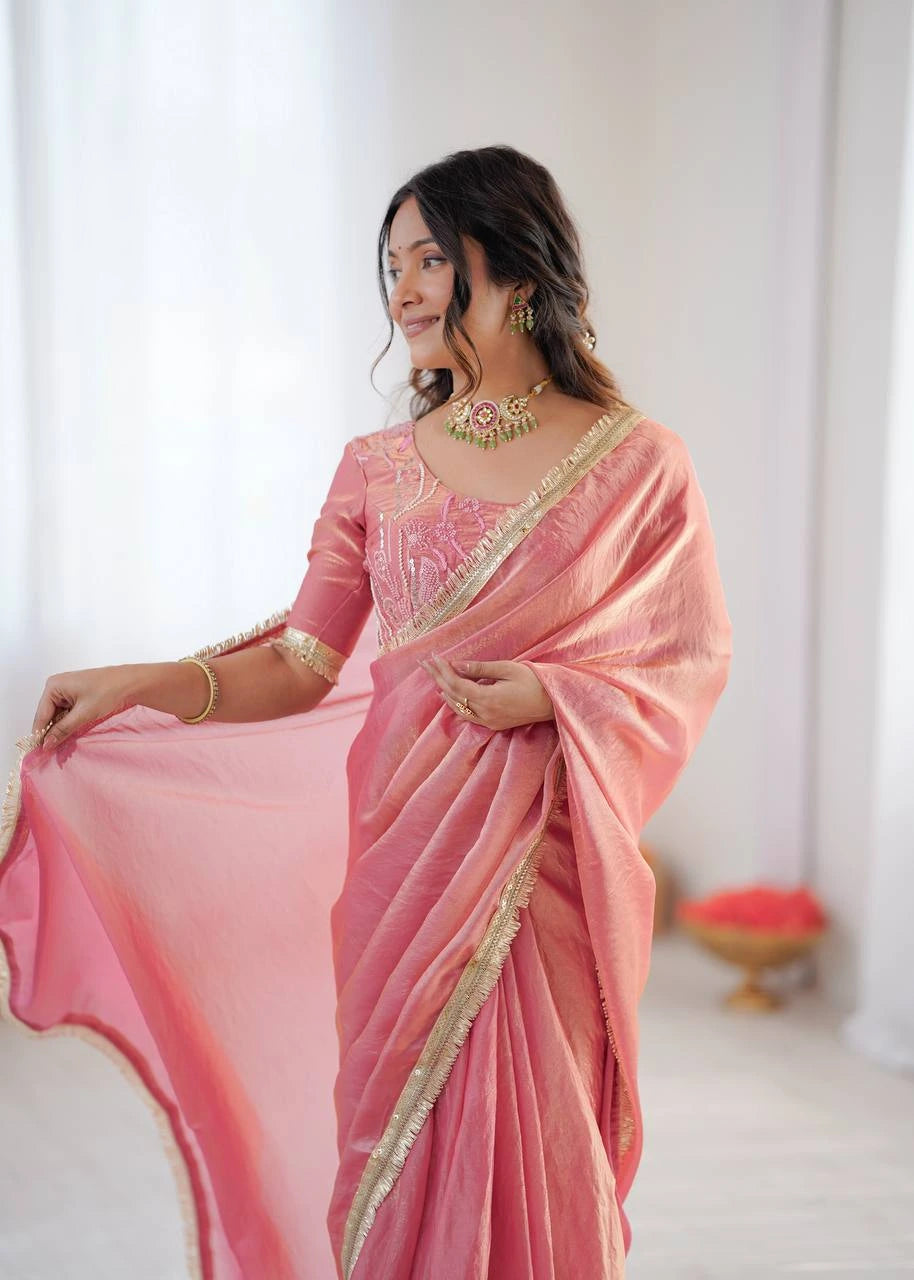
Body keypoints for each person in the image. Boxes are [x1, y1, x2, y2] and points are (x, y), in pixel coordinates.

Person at [0, 144, 732, 1279]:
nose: (401, 287)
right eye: (391, 262)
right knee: (394, 1142)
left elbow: (684, 656)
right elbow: (300, 661)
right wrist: (139, 680)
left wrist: (554, 690)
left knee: (536, 1137)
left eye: (430, 256)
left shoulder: (637, 463)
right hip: (402, 867)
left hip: (539, 874)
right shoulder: (375, 467)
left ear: (519, 264)